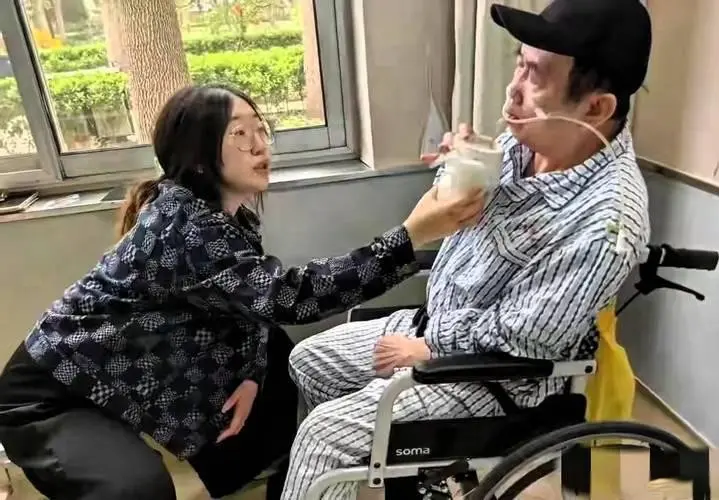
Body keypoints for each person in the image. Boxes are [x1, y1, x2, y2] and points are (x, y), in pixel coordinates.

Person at [0, 84, 485, 500]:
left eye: (260, 129)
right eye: (239, 134)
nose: (259, 146)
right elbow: (288, 297)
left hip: (126, 369)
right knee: (137, 489)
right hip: (52, 393)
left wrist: (251, 376)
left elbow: (250, 303)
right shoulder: (184, 226)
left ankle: (270, 479)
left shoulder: (224, 216)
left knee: (276, 371)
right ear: (198, 155)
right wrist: (409, 237)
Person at [282, 0, 653, 497]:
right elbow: (457, 216)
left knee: (323, 438)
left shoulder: (607, 224)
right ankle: (363, 477)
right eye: (519, 64)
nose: (513, 89)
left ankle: (342, 467)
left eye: (536, 76)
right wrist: (459, 165)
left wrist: (429, 349)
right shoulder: (527, 142)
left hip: (493, 379)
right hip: (437, 325)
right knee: (307, 360)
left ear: (596, 108)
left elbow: (526, 337)